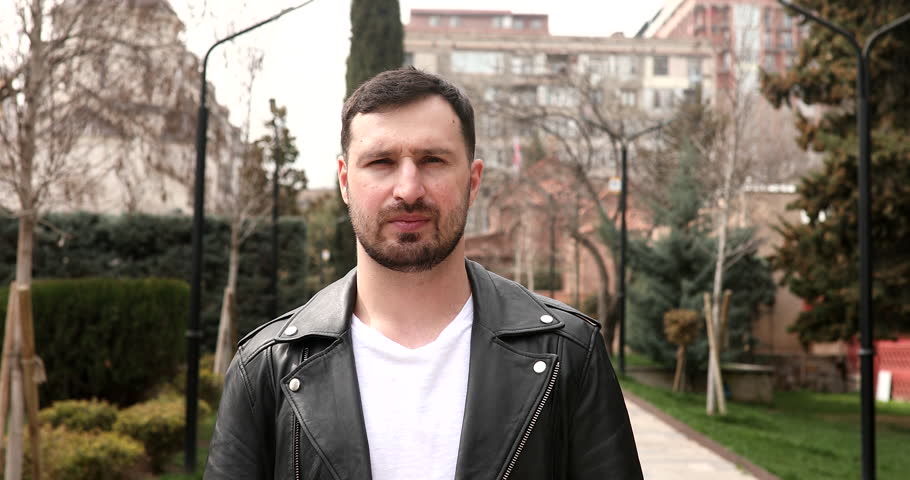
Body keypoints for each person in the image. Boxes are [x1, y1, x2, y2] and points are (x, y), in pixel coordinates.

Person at [204, 67, 643, 480]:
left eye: (433, 160)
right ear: (343, 180)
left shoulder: (569, 354)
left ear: (473, 182)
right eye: (380, 162)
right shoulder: (265, 367)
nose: (409, 189)